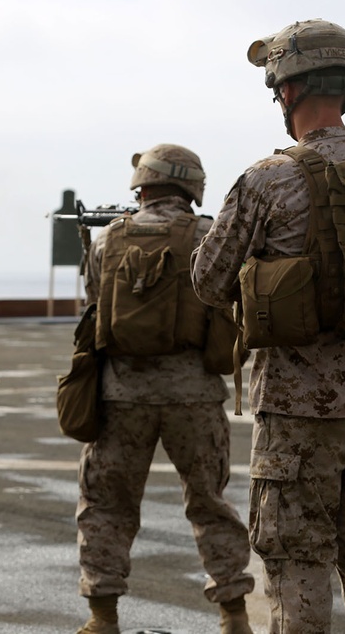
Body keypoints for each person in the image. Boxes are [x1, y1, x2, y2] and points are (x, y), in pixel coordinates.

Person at [191, 19, 345, 633]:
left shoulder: (268, 178)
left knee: (297, 562)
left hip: (298, 412)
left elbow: (208, 280)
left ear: (285, 90)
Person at [75, 144, 255, 634]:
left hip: (121, 395)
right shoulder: (207, 235)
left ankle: (102, 615)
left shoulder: (107, 239)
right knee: (210, 503)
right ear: (192, 187)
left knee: (108, 504)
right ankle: (233, 614)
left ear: (143, 184)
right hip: (194, 393)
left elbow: (93, 307)